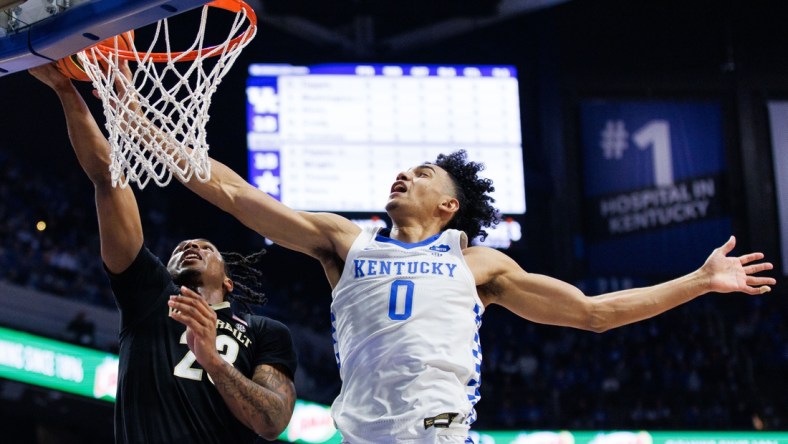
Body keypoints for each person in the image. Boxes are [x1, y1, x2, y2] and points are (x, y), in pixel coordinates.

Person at [53, 67, 775, 443]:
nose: (404, 174)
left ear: (449, 207)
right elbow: (238, 196)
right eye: (405, 170)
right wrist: (138, 116)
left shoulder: (480, 266)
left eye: (424, 174)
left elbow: (591, 314)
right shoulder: (346, 240)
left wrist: (700, 280)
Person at [29, 64, 298, 443]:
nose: (192, 245)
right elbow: (108, 177)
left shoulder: (263, 331)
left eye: (207, 247)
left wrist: (213, 360)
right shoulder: (150, 296)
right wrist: (64, 89)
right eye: (183, 247)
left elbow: (272, 422)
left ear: (228, 280)